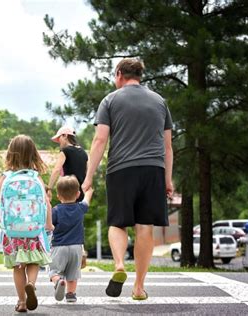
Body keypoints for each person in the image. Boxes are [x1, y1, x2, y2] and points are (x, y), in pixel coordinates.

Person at [82, 58, 174, 300]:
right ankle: (139, 287)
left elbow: (100, 140)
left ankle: (120, 264)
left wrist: (88, 177)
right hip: (153, 170)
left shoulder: (110, 100)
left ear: (119, 73)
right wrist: (168, 179)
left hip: (121, 170)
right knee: (145, 228)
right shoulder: (159, 101)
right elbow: (168, 147)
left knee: (118, 223)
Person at [0, 135, 54, 313]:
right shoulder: (36, 178)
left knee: (17, 267)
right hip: (33, 230)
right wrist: (49, 225)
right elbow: (46, 203)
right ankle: (31, 284)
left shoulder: (6, 177)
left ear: (10, 153)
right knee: (33, 262)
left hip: (12, 232)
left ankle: (22, 302)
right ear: (33, 154)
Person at [49, 176, 93, 303]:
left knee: (54, 270)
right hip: (76, 247)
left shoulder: (56, 210)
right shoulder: (80, 208)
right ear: (78, 194)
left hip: (59, 246)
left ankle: (58, 281)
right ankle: (71, 294)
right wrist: (89, 191)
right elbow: (87, 200)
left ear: (58, 195)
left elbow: (49, 226)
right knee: (73, 274)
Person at [47, 126, 88, 202]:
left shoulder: (65, 151)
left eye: (59, 139)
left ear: (65, 135)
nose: (59, 143)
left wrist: (49, 188)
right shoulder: (83, 152)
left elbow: (56, 170)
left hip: (68, 192)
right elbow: (87, 172)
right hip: (80, 194)